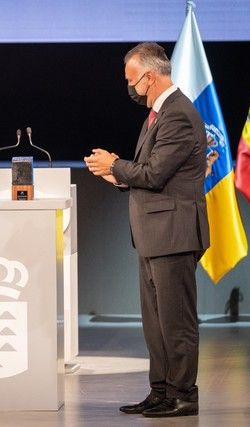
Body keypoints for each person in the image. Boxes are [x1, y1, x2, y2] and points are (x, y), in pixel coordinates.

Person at [84, 42, 209, 418]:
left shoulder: (179, 115)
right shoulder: (159, 113)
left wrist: (116, 164)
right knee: (156, 323)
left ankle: (183, 394)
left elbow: (155, 173)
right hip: (154, 234)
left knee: (176, 322)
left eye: (132, 80)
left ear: (149, 77)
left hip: (174, 233)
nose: (131, 88)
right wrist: (118, 176)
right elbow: (150, 173)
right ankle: (161, 391)